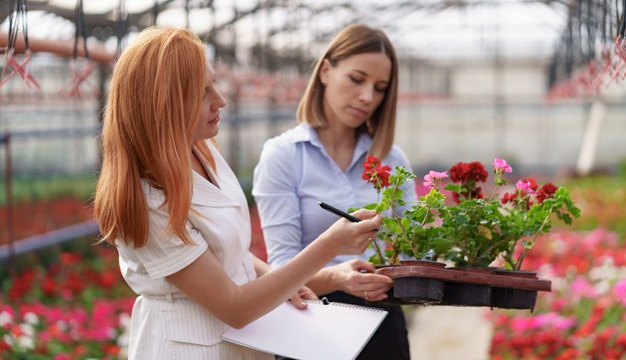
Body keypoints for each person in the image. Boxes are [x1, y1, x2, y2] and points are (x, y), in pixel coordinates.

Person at [93, 27, 382, 360]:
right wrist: (331, 244)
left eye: (214, 83)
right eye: (202, 93)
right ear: (164, 104)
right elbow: (234, 308)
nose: (221, 100)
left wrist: (279, 280)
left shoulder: (202, 151)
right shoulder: (148, 199)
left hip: (246, 344)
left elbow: (229, 255)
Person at [252, 24, 417, 360]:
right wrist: (337, 278)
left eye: (380, 88)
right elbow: (281, 272)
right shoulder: (285, 155)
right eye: (357, 79)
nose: (368, 97)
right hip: (309, 323)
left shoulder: (391, 159)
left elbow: (415, 248)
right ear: (326, 70)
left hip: (382, 326)